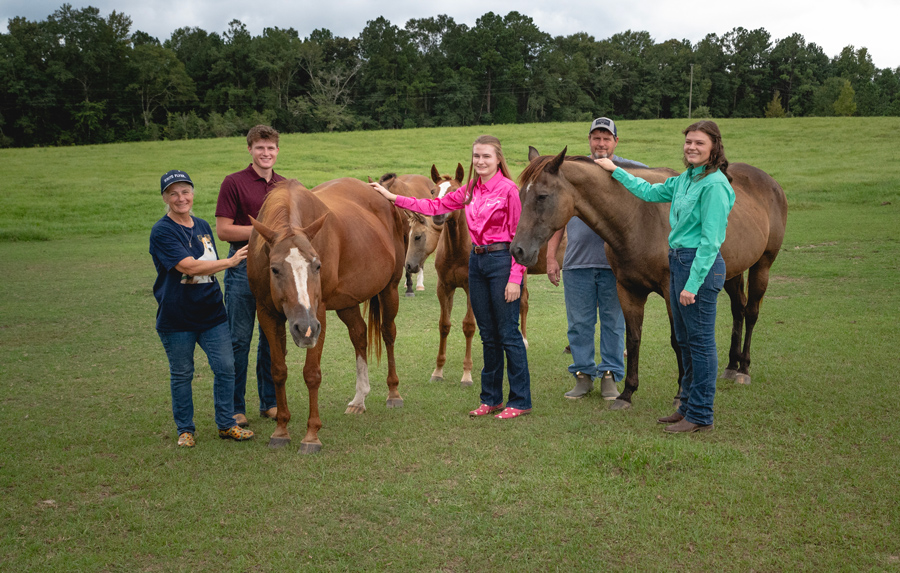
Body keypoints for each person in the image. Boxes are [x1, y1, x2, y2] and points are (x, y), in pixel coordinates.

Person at [369, 135, 532, 420]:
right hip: (477, 261)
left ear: (498, 159)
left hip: (501, 260)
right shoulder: (469, 190)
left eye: (486, 157)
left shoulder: (509, 190)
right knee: (488, 336)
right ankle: (491, 399)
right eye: (476, 156)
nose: (480, 161)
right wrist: (393, 197)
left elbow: (520, 237)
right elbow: (434, 207)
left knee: (508, 333)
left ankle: (519, 400)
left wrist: (515, 278)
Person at [596, 121, 735, 433]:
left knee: (700, 343)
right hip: (678, 260)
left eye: (699, 143)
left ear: (714, 146)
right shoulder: (686, 178)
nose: (692, 147)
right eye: (688, 142)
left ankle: (701, 415)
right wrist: (615, 170)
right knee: (685, 341)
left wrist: (693, 283)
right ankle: (686, 406)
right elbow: (649, 191)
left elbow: (712, 242)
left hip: (699, 265)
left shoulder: (714, 185)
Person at [150, 170, 255, 447]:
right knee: (183, 373)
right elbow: (188, 266)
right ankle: (185, 429)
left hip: (212, 314)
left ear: (192, 194)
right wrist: (230, 263)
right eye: (173, 193)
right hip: (178, 316)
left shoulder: (203, 226)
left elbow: (207, 267)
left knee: (226, 367)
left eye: (185, 191)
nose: (180, 198)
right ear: (165, 197)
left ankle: (226, 424)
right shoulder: (162, 231)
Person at [546, 117, 647, 401]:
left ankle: (610, 376)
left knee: (614, 322)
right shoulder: (575, 171)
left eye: (606, 138)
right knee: (578, 323)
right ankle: (582, 375)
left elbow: (655, 187)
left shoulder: (631, 170)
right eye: (596, 137)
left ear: (616, 141)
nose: (601, 143)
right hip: (577, 260)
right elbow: (558, 217)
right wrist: (551, 256)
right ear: (589, 140)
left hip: (617, 264)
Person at [215, 125, 285, 427]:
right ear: (250, 150)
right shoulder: (234, 183)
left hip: (277, 274)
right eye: (260, 148)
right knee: (238, 340)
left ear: (277, 151)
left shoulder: (285, 186)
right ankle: (234, 406)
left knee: (272, 339)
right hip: (242, 269)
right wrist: (266, 232)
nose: (265, 153)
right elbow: (224, 230)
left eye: (270, 148)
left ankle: (269, 402)